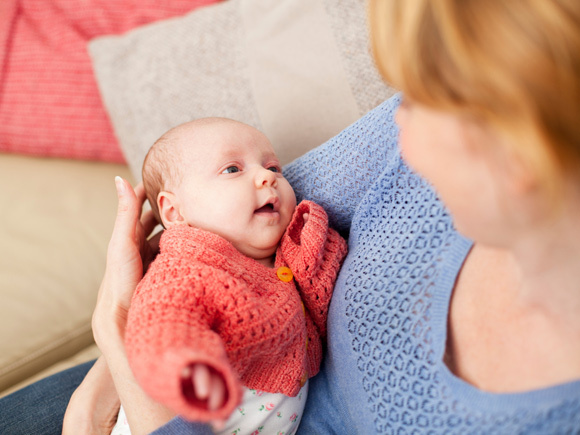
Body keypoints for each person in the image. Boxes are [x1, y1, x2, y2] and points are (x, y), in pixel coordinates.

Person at [1, 0, 579, 433]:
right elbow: (183, 300)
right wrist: (122, 367)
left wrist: (119, 341)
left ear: (518, 155)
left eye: (424, 103)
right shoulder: (227, 245)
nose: (395, 121)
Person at [108, 117, 347, 435]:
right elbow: (161, 322)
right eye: (233, 170)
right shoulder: (185, 270)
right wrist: (188, 368)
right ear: (174, 212)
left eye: (274, 168)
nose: (266, 177)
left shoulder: (283, 254)